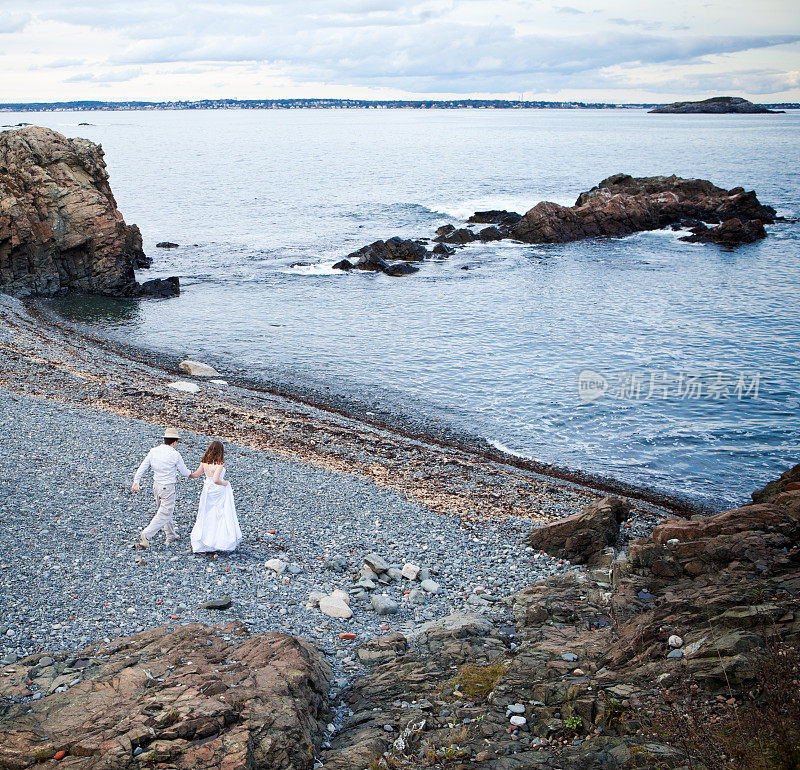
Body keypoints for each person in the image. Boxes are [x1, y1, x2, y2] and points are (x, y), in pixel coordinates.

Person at [132, 427, 201, 548]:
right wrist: (194, 474)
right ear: (174, 442)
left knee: (163, 511)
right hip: (168, 487)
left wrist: (136, 481)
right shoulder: (175, 454)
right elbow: (185, 472)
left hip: (156, 486)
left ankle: (171, 535)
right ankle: (147, 534)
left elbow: (143, 466)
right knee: (165, 513)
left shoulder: (154, 451)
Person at [190, 440, 242, 553]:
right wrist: (226, 483)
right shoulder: (219, 464)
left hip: (207, 490)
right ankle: (219, 541)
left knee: (206, 512)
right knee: (221, 513)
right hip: (217, 490)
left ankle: (203, 542)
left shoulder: (204, 462)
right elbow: (216, 480)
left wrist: (187, 473)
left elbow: (196, 474)